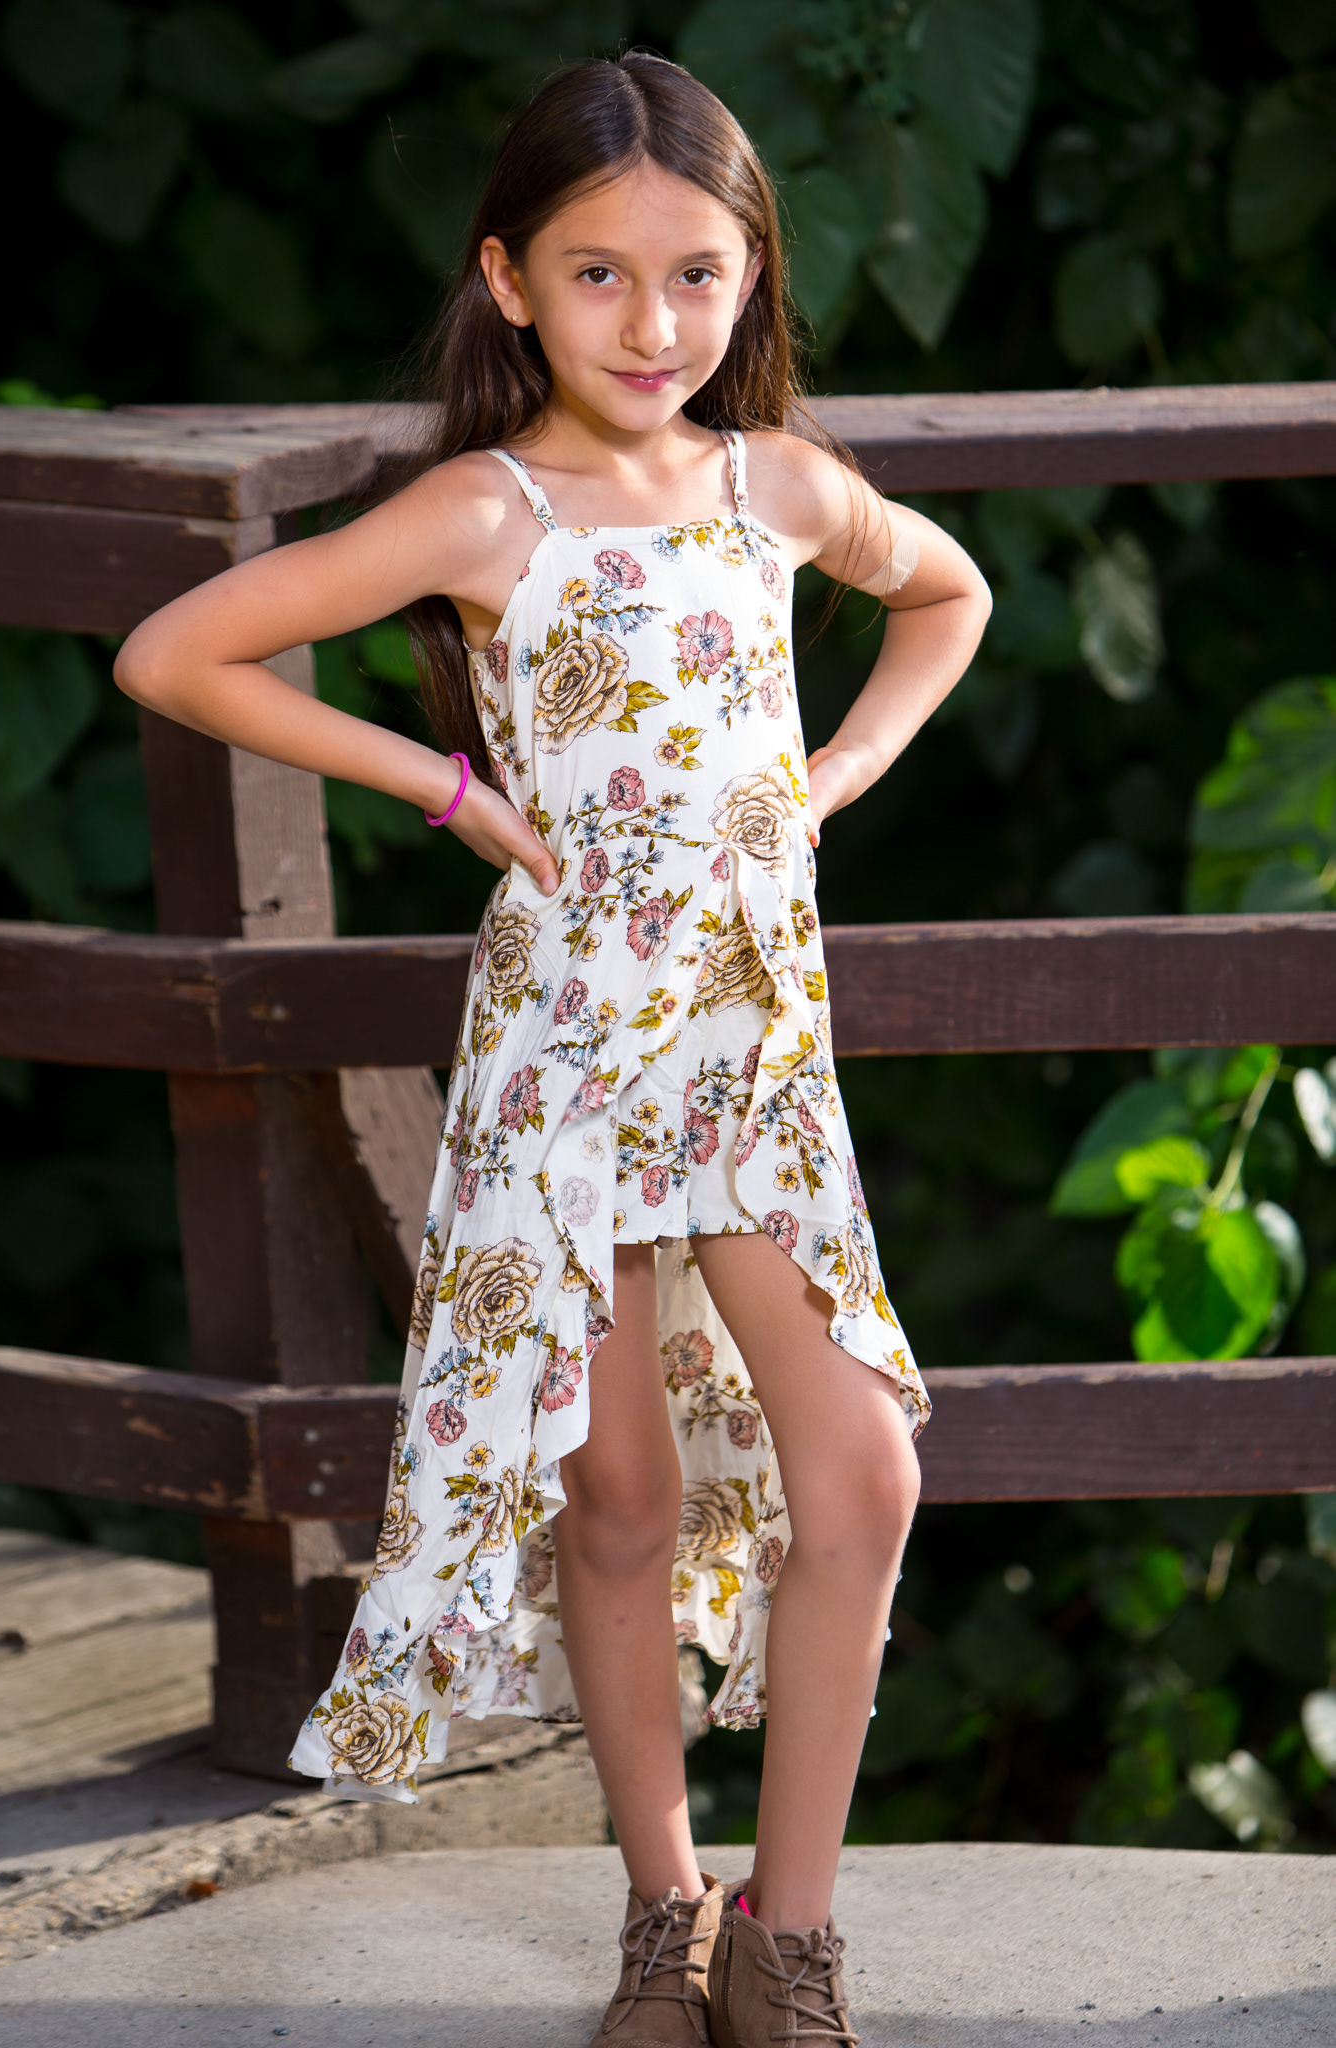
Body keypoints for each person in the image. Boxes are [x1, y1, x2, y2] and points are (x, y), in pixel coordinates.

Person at [115, 50, 990, 2048]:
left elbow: (945, 591)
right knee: (614, 1498)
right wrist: (440, 784)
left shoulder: (776, 487)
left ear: (750, 277)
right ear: (508, 280)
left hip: (751, 1062)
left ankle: (788, 1939)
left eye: (696, 275)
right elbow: (175, 653)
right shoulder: (482, 509)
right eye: (598, 274)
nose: (653, 324)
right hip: (572, 1063)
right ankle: (662, 1919)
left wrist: (836, 768)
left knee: (859, 1466)